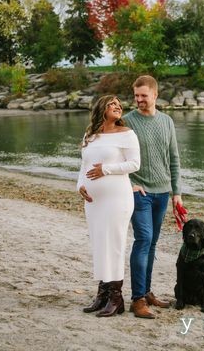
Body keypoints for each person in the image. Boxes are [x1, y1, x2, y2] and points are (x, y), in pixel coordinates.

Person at [123, 75, 183, 319]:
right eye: (136, 95)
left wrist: (177, 193)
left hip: (162, 193)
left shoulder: (167, 121)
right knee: (143, 239)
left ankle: (147, 292)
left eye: (143, 95)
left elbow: (174, 158)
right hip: (140, 193)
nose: (139, 99)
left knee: (152, 243)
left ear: (155, 95)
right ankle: (137, 299)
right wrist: (129, 184)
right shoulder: (127, 122)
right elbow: (116, 157)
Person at [77, 95, 140, 317]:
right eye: (112, 104)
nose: (118, 107)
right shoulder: (90, 136)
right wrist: (79, 185)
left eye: (119, 105)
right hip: (94, 202)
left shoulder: (127, 134)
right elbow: (84, 165)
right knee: (99, 245)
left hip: (117, 199)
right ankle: (102, 295)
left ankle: (116, 298)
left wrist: (106, 169)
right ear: (102, 108)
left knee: (114, 245)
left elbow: (134, 164)